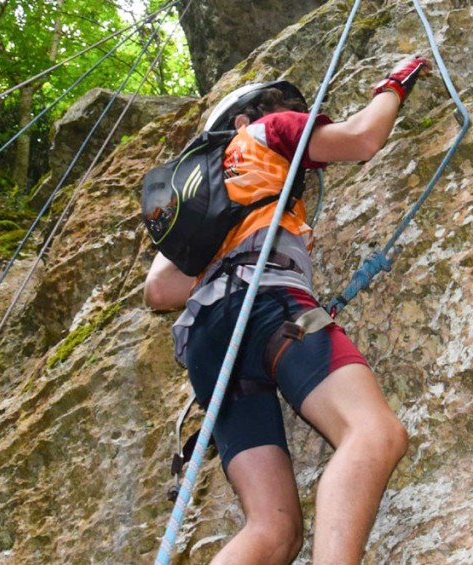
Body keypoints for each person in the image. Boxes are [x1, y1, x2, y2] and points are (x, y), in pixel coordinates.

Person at [145, 57, 431, 565]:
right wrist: (396, 83)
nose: (298, 115)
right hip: (267, 302)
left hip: (209, 345)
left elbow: (160, 292)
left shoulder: (207, 200)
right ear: (243, 118)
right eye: (287, 109)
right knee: (373, 433)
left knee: (274, 529)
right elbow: (364, 138)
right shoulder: (265, 130)